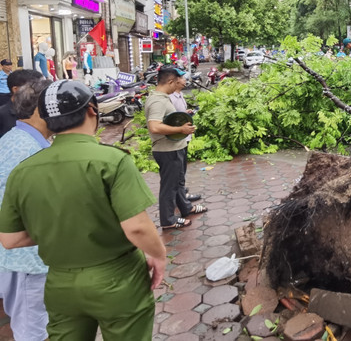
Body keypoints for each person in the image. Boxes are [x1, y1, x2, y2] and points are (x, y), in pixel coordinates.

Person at [0, 80, 166, 339]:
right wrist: (158, 255)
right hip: (117, 277)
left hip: (59, 283)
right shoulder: (112, 160)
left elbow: (10, 239)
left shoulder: (22, 171)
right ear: (91, 110)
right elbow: (136, 228)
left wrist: (60, 232)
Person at [0, 79, 51, 341]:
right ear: (41, 110)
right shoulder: (26, 150)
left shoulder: (21, 139)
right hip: (26, 260)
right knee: (32, 330)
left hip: (24, 257)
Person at [146, 66, 205, 229]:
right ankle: (168, 220)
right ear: (171, 81)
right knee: (169, 187)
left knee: (178, 183)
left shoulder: (163, 98)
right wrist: (181, 129)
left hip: (174, 148)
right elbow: (154, 126)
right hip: (167, 150)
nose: (181, 83)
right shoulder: (157, 101)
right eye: (178, 80)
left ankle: (186, 208)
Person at [169, 72, 202, 204]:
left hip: (184, 137)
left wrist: (186, 113)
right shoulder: (171, 98)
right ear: (175, 81)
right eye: (182, 78)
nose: (185, 80)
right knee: (179, 169)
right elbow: (171, 119)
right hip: (179, 137)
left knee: (182, 167)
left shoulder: (180, 95)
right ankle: (181, 196)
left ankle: (181, 191)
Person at [0, 70, 44, 138]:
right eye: (32, 87)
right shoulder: (3, 115)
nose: (37, 91)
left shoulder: (37, 111)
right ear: (15, 89)